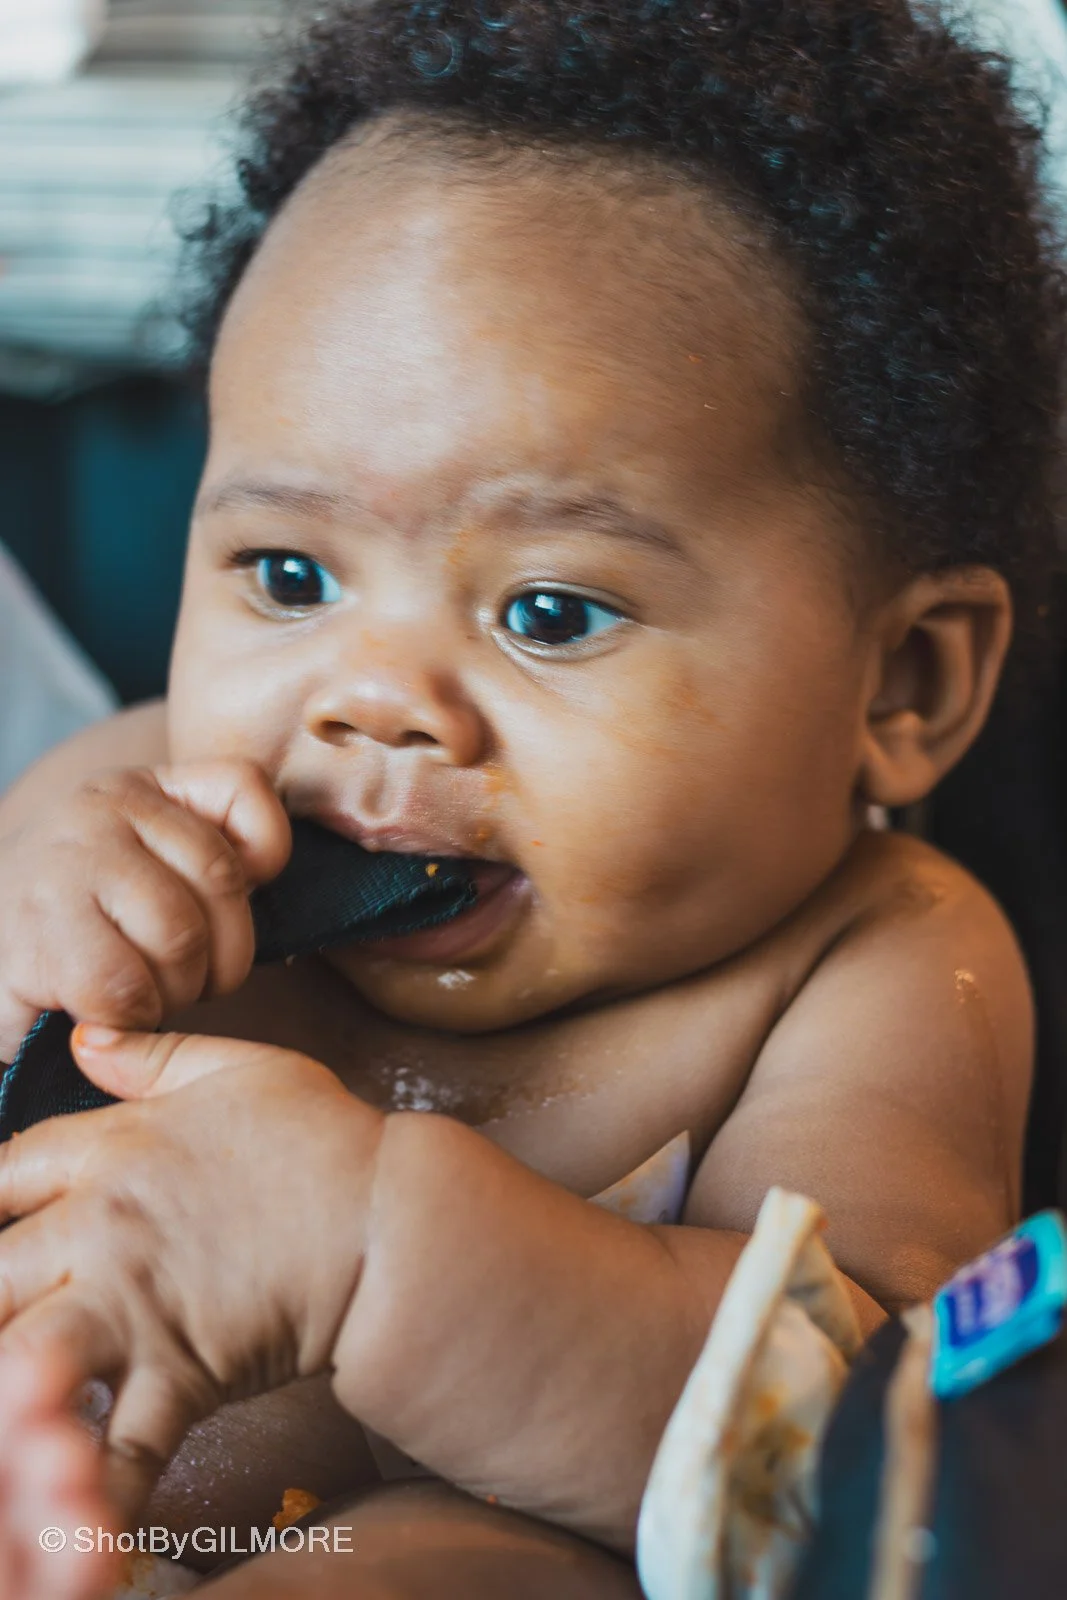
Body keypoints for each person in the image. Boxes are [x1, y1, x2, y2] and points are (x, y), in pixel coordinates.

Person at [0, 0, 1060, 1593]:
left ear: (901, 684)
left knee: (458, 1554)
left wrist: (375, 1254)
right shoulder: (131, 808)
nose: (375, 696)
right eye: (288, 575)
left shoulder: (871, 967)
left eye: (548, 613)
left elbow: (844, 1446)